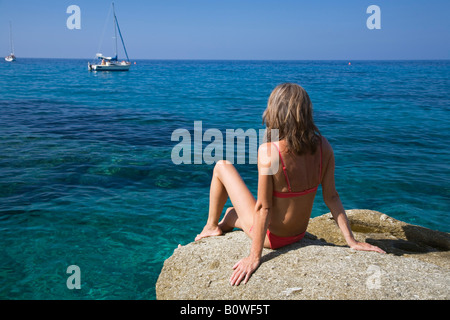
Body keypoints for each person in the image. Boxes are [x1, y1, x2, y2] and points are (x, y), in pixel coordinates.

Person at [195, 83, 385, 286]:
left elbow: (263, 207)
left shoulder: (269, 152)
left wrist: (254, 257)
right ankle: (231, 218)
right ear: (306, 112)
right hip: (298, 234)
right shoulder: (324, 147)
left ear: (275, 112)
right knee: (235, 212)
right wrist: (351, 241)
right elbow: (332, 197)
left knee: (222, 166)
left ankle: (211, 226)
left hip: (272, 238)